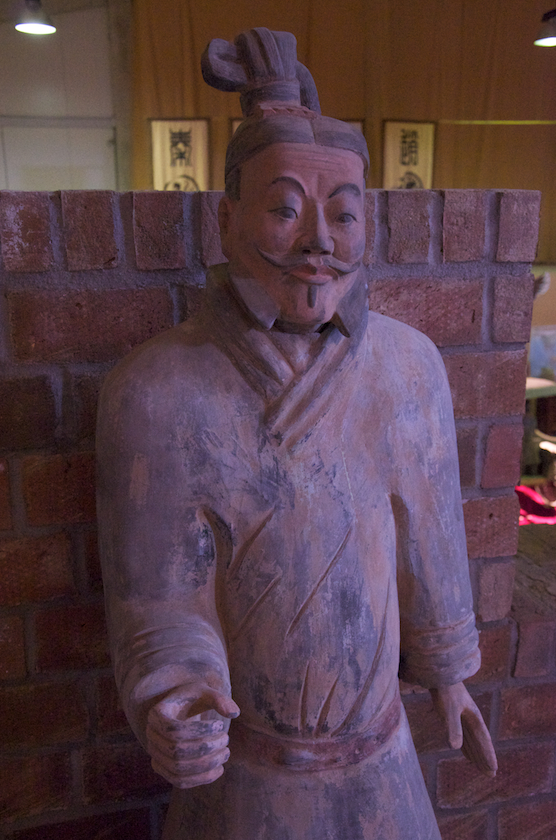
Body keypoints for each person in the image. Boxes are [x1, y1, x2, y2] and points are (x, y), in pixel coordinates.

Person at [97, 28, 497, 840]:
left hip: (383, 759)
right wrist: (179, 703)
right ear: (227, 219)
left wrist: (449, 677)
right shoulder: (155, 391)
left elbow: (428, 537)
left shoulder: (408, 367)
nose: (319, 241)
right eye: (284, 209)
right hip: (248, 779)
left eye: (343, 214)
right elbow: (163, 598)